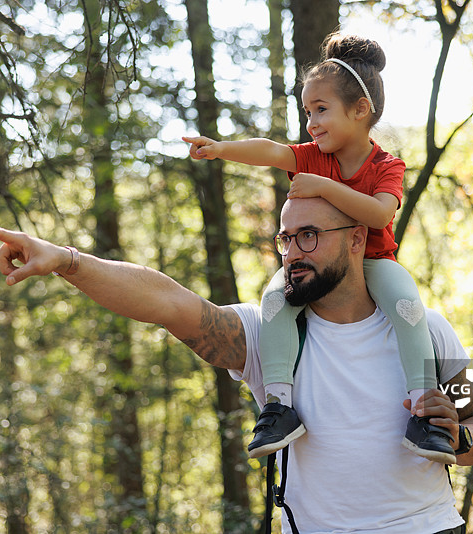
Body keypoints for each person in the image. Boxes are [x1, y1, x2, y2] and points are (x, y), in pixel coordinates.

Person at [0, 196, 473, 533]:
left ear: (358, 239)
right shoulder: (266, 337)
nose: (293, 252)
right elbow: (167, 303)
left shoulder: (425, 329)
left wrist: (459, 438)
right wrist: (68, 260)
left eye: (309, 235)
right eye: (286, 238)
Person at [182, 33, 453, 463]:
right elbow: (271, 151)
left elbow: (380, 215)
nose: (311, 122)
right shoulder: (312, 155)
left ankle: (424, 411)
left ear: (360, 110)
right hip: (319, 265)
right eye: (308, 112)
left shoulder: (386, 166)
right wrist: (221, 149)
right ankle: (279, 406)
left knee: (406, 304)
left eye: (321, 110)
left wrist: (327, 187)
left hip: (372, 262)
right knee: (275, 300)